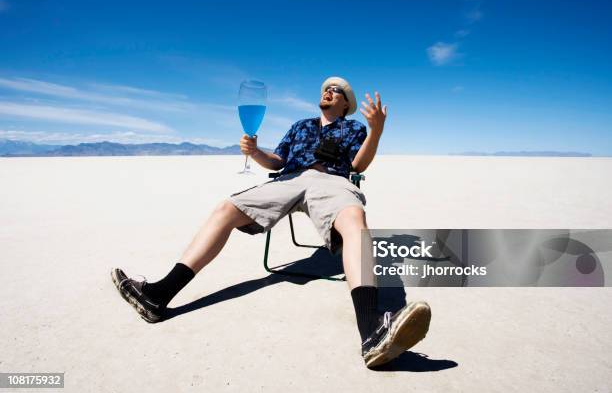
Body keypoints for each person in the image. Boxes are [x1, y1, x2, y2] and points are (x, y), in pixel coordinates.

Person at [111, 76, 431, 368]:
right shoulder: (300, 126)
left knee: (353, 218)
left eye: (336, 90)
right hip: (288, 180)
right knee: (226, 208)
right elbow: (276, 161)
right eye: (325, 88)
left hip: (331, 181)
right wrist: (256, 151)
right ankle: (158, 296)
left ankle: (372, 331)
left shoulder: (353, 129)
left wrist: (375, 130)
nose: (328, 91)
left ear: (346, 104)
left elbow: (359, 165)